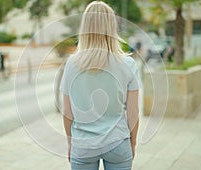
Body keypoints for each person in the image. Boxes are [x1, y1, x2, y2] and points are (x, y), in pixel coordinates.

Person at [60, 1, 141, 170]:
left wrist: (70, 143)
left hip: (83, 146)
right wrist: (132, 142)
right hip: (118, 142)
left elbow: (68, 113)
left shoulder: (71, 64)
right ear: (112, 27)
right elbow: (133, 113)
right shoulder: (128, 64)